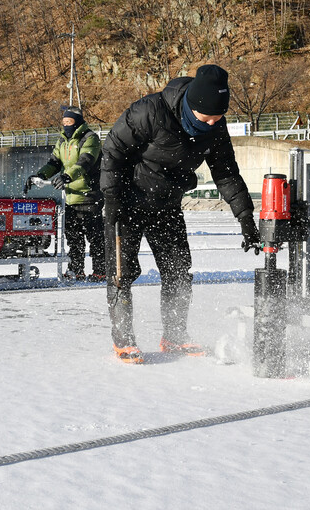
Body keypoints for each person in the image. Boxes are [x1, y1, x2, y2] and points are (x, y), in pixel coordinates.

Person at [101, 64, 259, 364]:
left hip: (167, 203)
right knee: (122, 272)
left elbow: (226, 173)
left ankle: (174, 335)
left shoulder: (215, 129)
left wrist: (246, 219)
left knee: (178, 271)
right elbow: (113, 150)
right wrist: (112, 198)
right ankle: (123, 339)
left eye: (218, 117)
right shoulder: (150, 111)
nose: (212, 122)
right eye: (207, 116)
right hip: (127, 201)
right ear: (191, 106)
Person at [27, 105, 105, 282]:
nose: (66, 126)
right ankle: (76, 269)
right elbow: (54, 163)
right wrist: (39, 175)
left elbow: (85, 161)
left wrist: (67, 176)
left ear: (77, 123)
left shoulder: (90, 138)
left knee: (95, 236)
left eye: (69, 122)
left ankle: (101, 269)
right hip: (70, 197)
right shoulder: (62, 141)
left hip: (89, 194)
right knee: (73, 237)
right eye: (64, 122)